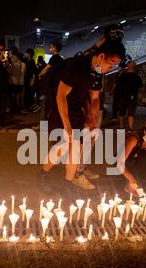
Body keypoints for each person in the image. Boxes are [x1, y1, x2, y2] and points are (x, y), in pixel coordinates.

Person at [38, 40, 126, 195]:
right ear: (101, 56)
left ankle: (67, 184)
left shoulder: (98, 72)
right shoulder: (76, 67)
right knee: (65, 144)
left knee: (76, 147)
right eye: (111, 63)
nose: (112, 67)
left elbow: (94, 98)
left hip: (75, 108)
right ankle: (42, 175)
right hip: (57, 105)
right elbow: (61, 96)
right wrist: (67, 126)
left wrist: (92, 117)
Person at [117, 61, 143, 133]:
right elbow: (140, 87)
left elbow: (119, 86)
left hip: (123, 96)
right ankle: (130, 128)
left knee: (122, 112)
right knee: (131, 113)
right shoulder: (137, 76)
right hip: (133, 97)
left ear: (128, 66)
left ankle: (121, 127)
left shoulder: (123, 76)